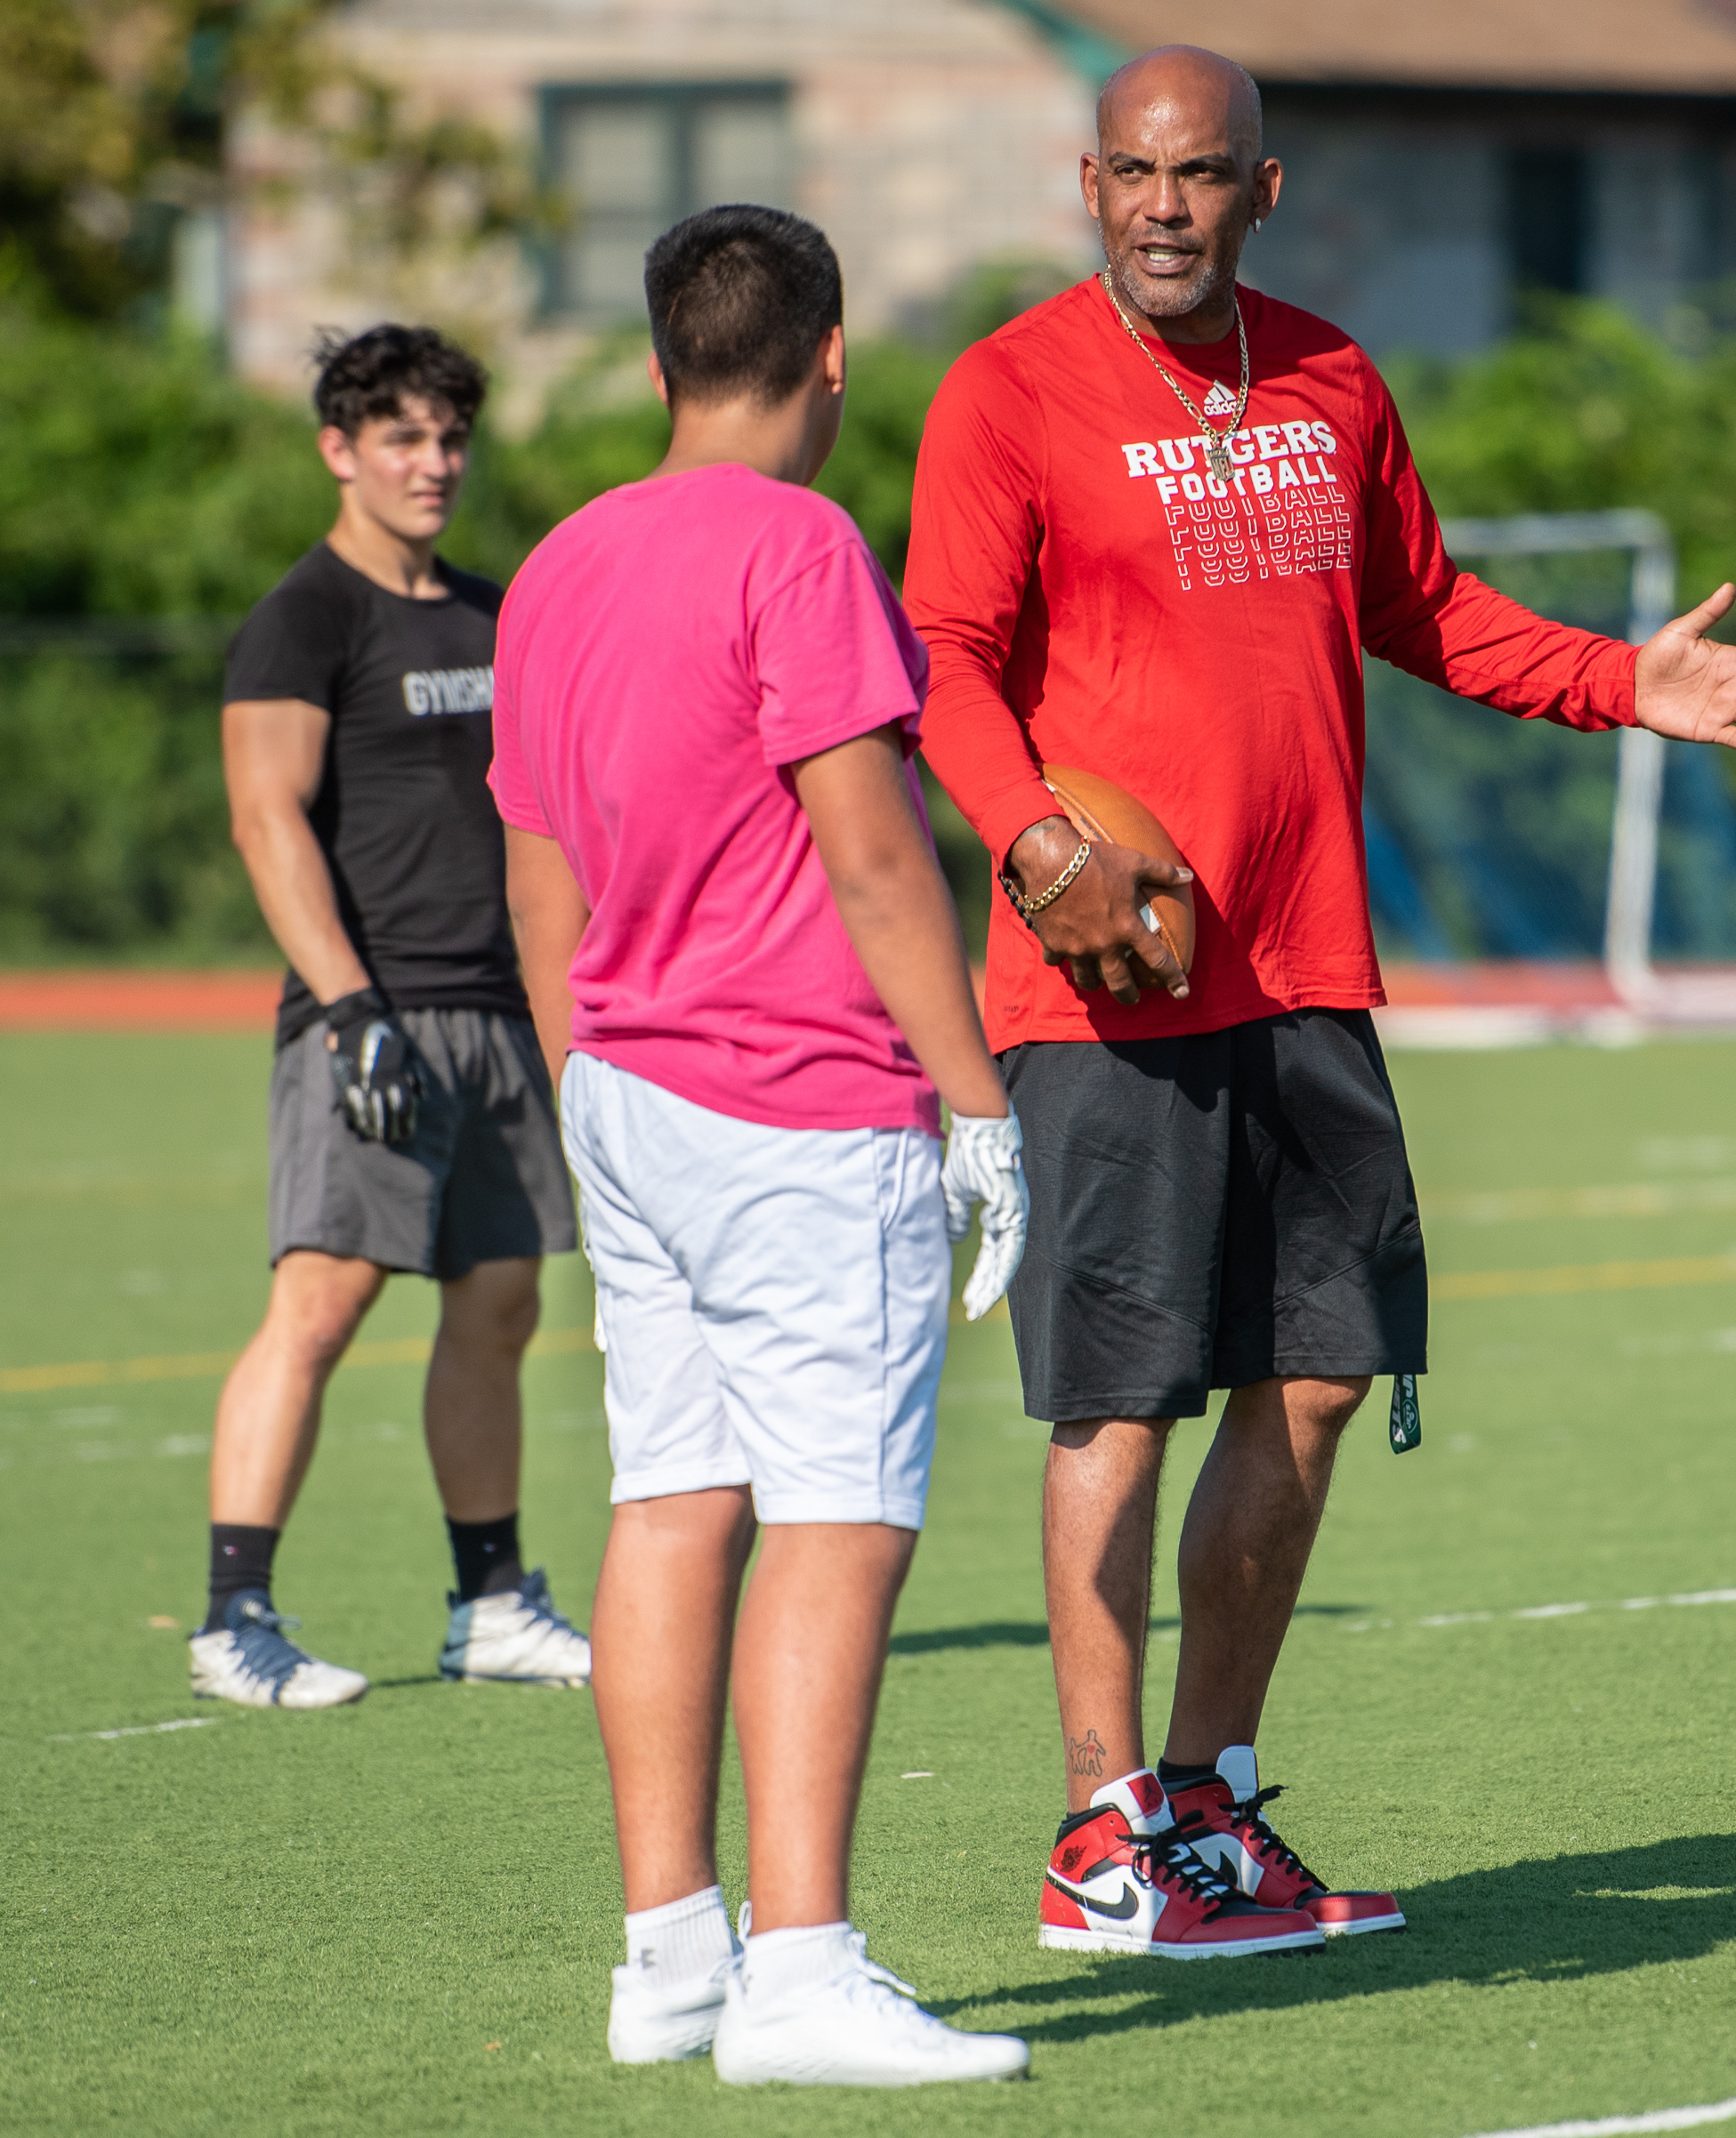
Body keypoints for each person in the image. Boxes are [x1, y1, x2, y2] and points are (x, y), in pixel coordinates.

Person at [904, 45, 1736, 1956]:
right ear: (1092, 184)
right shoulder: (1007, 390)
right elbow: (948, 661)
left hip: (1304, 965)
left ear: (1266, 189)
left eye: (1205, 176)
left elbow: (1421, 602)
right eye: (1138, 174)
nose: (1168, 206)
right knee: (1117, 1403)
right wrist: (1031, 843)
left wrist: (1613, 681)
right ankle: (1096, 1831)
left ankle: (1211, 1802)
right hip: (1113, 985)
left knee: (1315, 1377)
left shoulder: (1327, 376)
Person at [496, 206, 1032, 2084]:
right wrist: (979, 1095)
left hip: (626, 1087)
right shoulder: (804, 543)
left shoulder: (556, 560)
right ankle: (800, 1968)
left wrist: (581, 1079)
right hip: (798, 1102)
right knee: (836, 1514)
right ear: (827, 363)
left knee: (671, 1497)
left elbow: (534, 856)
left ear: (657, 366)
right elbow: (874, 847)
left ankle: (673, 1951)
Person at [194, 325, 588, 1710]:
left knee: (501, 1297)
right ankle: (233, 1615)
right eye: (405, 439)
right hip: (370, 1015)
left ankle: (489, 1603)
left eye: (450, 438)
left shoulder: (494, 613)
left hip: (497, 1013)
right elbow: (264, 818)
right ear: (339, 451)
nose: (435, 464)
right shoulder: (306, 615)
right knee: (322, 1298)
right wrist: (352, 1008)